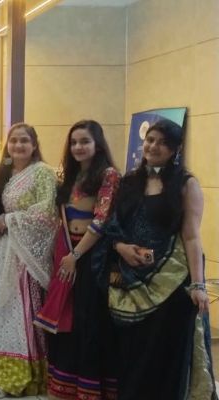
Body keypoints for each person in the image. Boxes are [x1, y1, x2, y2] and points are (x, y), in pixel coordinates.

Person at [96, 119, 216, 399]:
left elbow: (191, 237)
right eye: (150, 140)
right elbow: (113, 225)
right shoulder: (129, 182)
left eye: (163, 143)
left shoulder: (186, 184)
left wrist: (198, 285)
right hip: (130, 278)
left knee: (163, 353)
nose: (154, 146)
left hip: (171, 282)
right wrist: (121, 247)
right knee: (132, 353)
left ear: (175, 149)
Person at [34, 120, 120, 400]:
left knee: (88, 320)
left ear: (98, 144)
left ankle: (89, 389)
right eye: (74, 142)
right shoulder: (70, 175)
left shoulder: (108, 175)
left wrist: (75, 255)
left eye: (85, 141)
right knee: (67, 319)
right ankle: (65, 386)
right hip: (67, 252)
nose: (78, 147)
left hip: (91, 256)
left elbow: (102, 220)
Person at [0, 123, 58, 399]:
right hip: (4, 250)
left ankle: (26, 376)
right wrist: (0, 221)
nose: (18, 145)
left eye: (24, 141)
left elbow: (47, 212)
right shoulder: (1, 172)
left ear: (34, 145)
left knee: (23, 311)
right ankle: (1, 374)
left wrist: (11, 220)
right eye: (13, 141)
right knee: (2, 310)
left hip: (27, 254)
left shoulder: (43, 173)